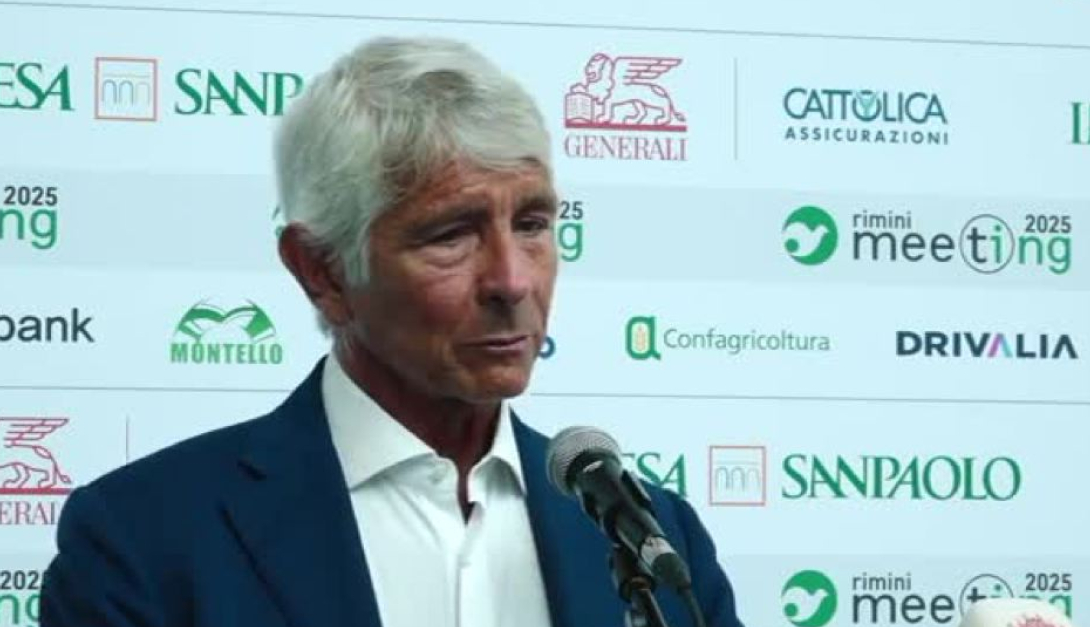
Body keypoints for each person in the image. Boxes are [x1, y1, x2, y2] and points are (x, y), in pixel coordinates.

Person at [39, 36, 742, 627]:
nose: (512, 280)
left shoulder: (654, 539)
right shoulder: (142, 537)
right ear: (322, 270)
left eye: (532, 223)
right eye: (451, 234)